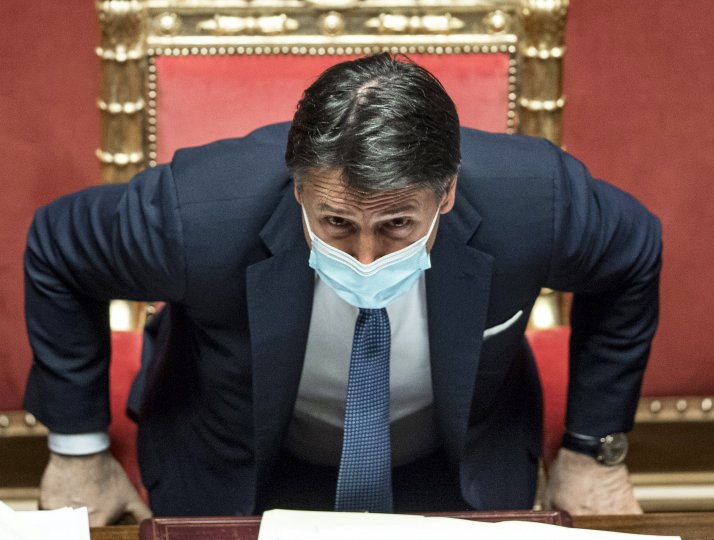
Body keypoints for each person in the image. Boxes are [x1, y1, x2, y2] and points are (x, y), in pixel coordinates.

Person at [24, 53, 661, 525]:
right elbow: (58, 249)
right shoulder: (198, 213)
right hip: (231, 460)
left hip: (455, 465)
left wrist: (592, 452)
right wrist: (78, 453)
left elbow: (632, 256)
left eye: (396, 225)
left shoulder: (535, 200)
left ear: (447, 193)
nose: (363, 257)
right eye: (335, 223)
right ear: (298, 188)